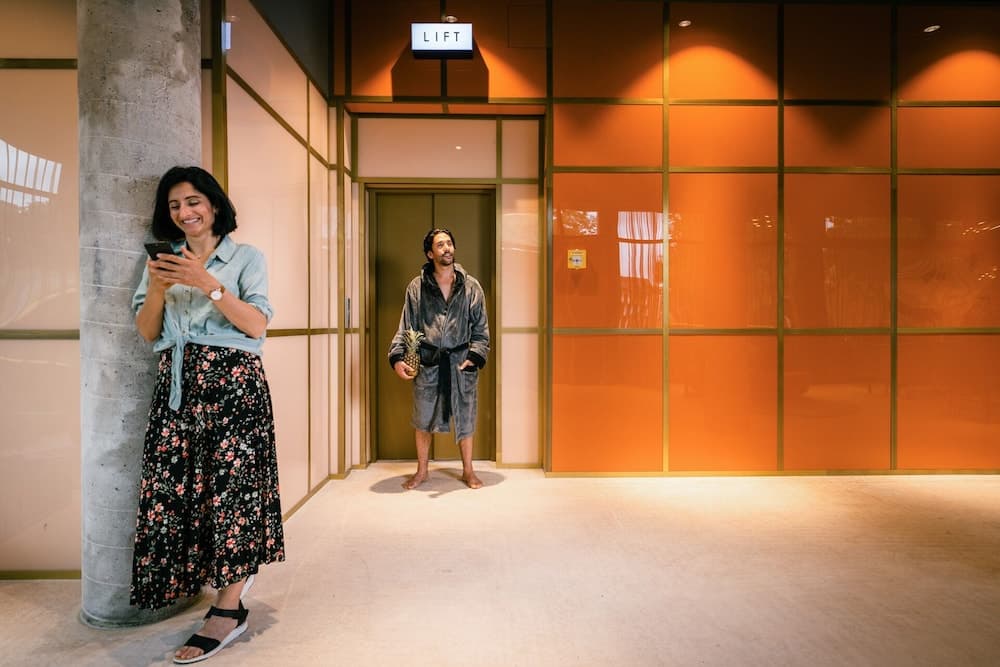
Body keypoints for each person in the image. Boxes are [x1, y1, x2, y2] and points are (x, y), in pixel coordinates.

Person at [130, 166, 285, 664]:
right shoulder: (163, 260)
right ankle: (212, 585)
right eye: (175, 205)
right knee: (179, 493)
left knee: (233, 495)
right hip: (178, 388)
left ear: (214, 204)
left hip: (234, 387)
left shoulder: (246, 257)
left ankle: (228, 609)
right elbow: (148, 332)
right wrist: (159, 287)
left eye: (194, 201)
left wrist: (208, 283)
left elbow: (256, 324)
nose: (185, 212)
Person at [388, 228, 491, 490]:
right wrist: (398, 357)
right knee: (422, 420)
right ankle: (422, 471)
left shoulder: (471, 286)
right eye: (440, 245)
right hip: (429, 363)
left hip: (461, 363)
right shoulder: (417, 287)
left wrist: (474, 356)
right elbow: (407, 326)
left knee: (466, 418)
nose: (447, 248)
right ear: (430, 253)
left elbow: (481, 329)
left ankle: (468, 471)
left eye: (449, 243)